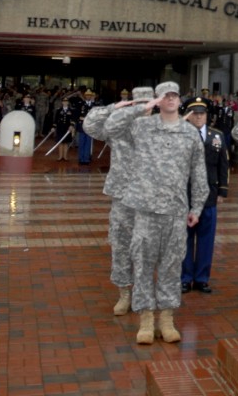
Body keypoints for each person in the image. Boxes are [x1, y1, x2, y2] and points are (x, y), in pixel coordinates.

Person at [104, 80, 208, 346]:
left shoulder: (189, 133)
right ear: (158, 100)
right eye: (165, 96)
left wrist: (197, 207)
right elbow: (111, 127)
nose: (171, 99)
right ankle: (146, 319)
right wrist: (140, 108)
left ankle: (167, 318)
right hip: (146, 211)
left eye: (174, 95)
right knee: (143, 266)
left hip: (175, 212)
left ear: (179, 100)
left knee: (172, 267)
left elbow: (198, 173)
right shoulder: (142, 127)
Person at [83, 85, 154, 315]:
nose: (144, 109)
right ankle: (124, 294)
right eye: (139, 104)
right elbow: (90, 125)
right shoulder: (119, 128)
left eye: (147, 105)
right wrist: (115, 107)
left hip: (151, 200)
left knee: (148, 249)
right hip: (123, 197)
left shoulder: (161, 128)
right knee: (121, 245)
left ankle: (145, 295)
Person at [181, 97, 229, 294]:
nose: (199, 117)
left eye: (202, 113)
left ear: (207, 115)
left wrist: (223, 191)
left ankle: (201, 278)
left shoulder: (216, 136)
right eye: (195, 113)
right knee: (184, 239)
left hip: (209, 195)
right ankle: (184, 278)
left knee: (206, 239)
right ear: (189, 116)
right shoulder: (181, 135)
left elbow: (223, 164)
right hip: (185, 195)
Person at [77, 89, 97, 164]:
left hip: (90, 127)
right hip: (82, 126)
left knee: (88, 143)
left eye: (90, 95)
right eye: (87, 95)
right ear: (85, 96)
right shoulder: (80, 104)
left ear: (91, 96)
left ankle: (86, 158)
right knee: (81, 142)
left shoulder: (94, 105)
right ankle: (81, 158)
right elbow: (77, 114)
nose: (88, 97)